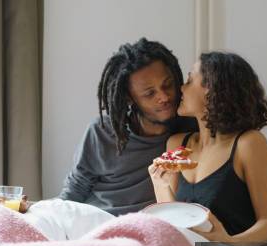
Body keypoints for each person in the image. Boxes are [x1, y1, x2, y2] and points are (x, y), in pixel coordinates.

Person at [148, 51, 267, 246]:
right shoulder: (176, 144)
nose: (181, 88)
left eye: (190, 80)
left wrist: (228, 242)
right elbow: (174, 223)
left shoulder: (248, 144)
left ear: (213, 90)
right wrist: (159, 183)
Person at [59, 38, 197, 215]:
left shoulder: (192, 131)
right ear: (130, 98)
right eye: (149, 93)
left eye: (168, 84)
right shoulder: (103, 132)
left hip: (153, 228)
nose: (164, 97)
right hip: (98, 222)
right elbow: (74, 190)